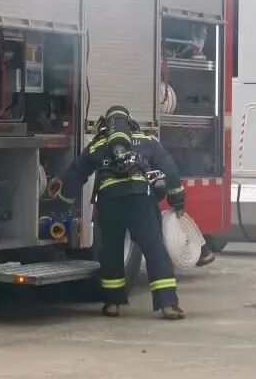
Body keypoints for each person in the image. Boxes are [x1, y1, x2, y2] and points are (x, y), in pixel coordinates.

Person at [57, 106, 187, 320]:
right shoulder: (147, 140)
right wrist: (177, 199)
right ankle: (168, 304)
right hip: (141, 200)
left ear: (105, 125)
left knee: (111, 250)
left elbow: (76, 173)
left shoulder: (98, 144)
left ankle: (112, 304)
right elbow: (170, 169)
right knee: (154, 248)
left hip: (110, 202)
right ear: (131, 122)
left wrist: (62, 202)